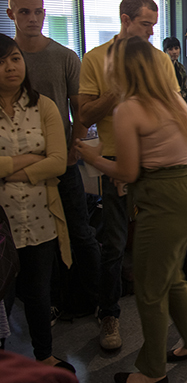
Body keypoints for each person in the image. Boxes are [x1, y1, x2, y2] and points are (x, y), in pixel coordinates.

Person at [76, 36, 187, 383]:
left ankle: (151, 372)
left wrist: (93, 158)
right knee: (171, 275)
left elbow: (127, 171)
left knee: (149, 289)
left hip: (164, 202)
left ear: (120, 70)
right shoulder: (175, 101)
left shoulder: (129, 109)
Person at [78, 0, 179, 351]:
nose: (152, 33)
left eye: (154, 24)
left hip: (155, 166)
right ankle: (109, 315)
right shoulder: (94, 59)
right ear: (124, 20)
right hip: (114, 167)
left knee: (176, 241)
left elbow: (172, 112)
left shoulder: (159, 60)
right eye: (145, 24)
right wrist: (115, 93)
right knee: (113, 245)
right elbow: (85, 115)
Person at [6, 0, 100, 318]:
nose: (33, 18)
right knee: (31, 241)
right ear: (11, 15)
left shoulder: (64, 56)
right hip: (18, 166)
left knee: (80, 232)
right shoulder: (7, 59)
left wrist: (74, 148)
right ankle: (43, 303)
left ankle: (91, 301)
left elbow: (81, 110)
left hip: (61, 163)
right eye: (24, 12)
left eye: (39, 12)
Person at [0, 34, 75, 374]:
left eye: (15, 58)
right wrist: (31, 161)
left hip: (42, 215)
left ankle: (43, 354)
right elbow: (45, 162)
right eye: (2, 61)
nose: (10, 67)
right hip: (3, 222)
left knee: (39, 291)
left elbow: (58, 162)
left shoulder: (43, 105)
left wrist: (8, 170)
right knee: (2, 296)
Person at [162, 37, 187, 103]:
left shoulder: (180, 67)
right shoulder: (161, 67)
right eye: (170, 49)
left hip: (180, 102)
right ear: (165, 51)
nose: (174, 52)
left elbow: (184, 87)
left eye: (176, 48)